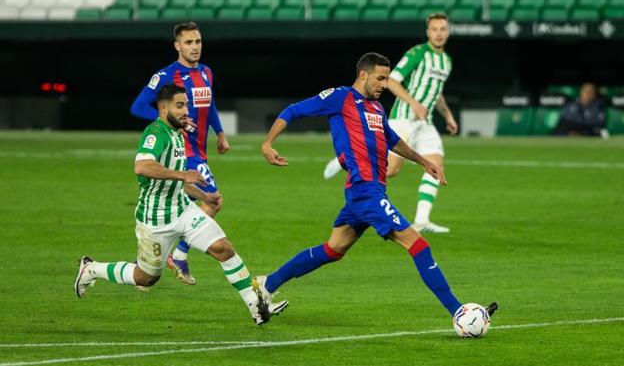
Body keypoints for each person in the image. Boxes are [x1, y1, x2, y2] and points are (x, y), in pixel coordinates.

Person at [254, 53, 497, 320]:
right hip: (365, 191)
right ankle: (459, 312)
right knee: (418, 246)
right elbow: (293, 111)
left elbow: (392, 140)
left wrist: (423, 161)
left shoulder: (377, 109)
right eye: (381, 78)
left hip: (369, 192)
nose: (384, 84)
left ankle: (267, 285)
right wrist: (267, 144)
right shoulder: (341, 98)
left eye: (388, 79)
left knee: (333, 249)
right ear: (363, 75)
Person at [75, 84, 287, 325]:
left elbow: (175, 179)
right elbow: (142, 166)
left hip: (183, 211)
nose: (186, 110)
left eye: (186, 104)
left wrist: (203, 197)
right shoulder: (155, 133)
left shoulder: (178, 133)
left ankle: (256, 306)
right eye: (180, 105)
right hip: (156, 221)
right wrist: (184, 175)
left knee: (223, 249)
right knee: (146, 278)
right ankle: (91, 269)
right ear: (163, 108)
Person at [323, 13, 458, 234]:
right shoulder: (418, 53)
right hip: (404, 117)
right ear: (428, 32)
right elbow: (392, 80)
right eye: (434, 29)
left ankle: (422, 221)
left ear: (448, 31)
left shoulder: (446, 61)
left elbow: (437, 92)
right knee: (392, 169)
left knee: (435, 165)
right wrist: (414, 103)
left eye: (443, 29)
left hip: (426, 122)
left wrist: (448, 116)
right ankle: (347, 161)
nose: (439, 33)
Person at [131, 22, 228, 285]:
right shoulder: (165, 75)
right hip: (181, 152)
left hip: (200, 150)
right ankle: (179, 255)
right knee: (213, 200)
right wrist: (173, 122)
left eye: (197, 42)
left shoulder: (206, 72)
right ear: (177, 45)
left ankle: (160, 257)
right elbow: (138, 106)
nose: (194, 47)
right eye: (188, 42)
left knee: (193, 204)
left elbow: (210, 103)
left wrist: (219, 132)